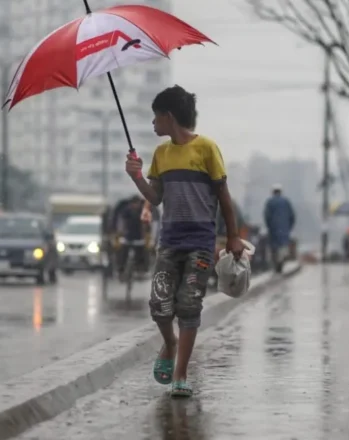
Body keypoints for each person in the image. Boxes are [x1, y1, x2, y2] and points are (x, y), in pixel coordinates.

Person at [125, 84, 244, 398]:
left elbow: (224, 196)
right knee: (160, 305)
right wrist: (136, 176)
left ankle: (180, 373)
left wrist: (232, 236)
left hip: (201, 243)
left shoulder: (206, 148)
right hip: (170, 242)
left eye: (155, 118)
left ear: (168, 116)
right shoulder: (161, 154)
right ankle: (171, 342)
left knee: (189, 305)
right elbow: (156, 197)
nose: (153, 124)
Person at [263, 184, 296, 272]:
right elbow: (292, 216)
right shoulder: (286, 202)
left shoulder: (270, 202)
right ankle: (280, 263)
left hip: (273, 229)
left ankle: (276, 264)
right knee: (283, 247)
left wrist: (269, 226)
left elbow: (267, 216)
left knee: (274, 247)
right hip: (284, 229)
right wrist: (289, 227)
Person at [116, 195, 146, 277]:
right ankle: (121, 270)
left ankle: (140, 269)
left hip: (139, 236)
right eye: (135, 203)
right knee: (123, 253)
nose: (137, 205)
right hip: (127, 236)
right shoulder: (126, 211)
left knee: (141, 253)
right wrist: (121, 231)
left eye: (138, 203)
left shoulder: (142, 211)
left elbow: (145, 224)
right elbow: (121, 222)